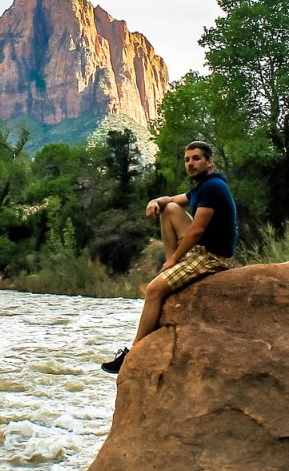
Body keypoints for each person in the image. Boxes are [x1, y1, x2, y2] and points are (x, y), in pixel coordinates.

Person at [101, 140, 237, 375]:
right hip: (202, 251)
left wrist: (173, 260)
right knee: (170, 209)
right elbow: (171, 201)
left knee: (154, 290)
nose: (191, 164)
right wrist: (154, 202)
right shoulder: (202, 186)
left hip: (213, 257)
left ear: (209, 161)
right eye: (187, 159)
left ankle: (134, 353)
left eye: (196, 158)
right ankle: (173, 268)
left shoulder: (212, 187)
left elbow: (197, 231)